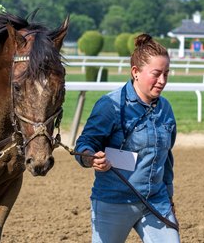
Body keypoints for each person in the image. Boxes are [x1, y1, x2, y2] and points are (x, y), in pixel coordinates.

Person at [75, 34, 180, 243]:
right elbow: (84, 145)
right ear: (135, 72)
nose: (162, 81)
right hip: (112, 201)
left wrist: (169, 198)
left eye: (166, 74)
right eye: (157, 74)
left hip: (156, 202)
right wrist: (91, 158)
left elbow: (166, 158)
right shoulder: (110, 106)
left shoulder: (166, 109)